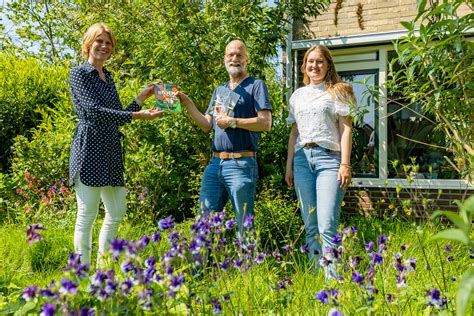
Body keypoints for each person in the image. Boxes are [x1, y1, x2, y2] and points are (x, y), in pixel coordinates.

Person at [69, 22, 163, 266]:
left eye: (108, 43)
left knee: (116, 212)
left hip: (110, 149)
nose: (104, 46)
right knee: (87, 215)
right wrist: (136, 115)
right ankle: (81, 275)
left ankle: (103, 269)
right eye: (99, 41)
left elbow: (116, 116)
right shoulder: (79, 73)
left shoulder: (108, 77)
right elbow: (93, 111)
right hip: (89, 147)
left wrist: (140, 99)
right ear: (89, 43)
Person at [177, 39, 272, 234]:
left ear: (247, 59)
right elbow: (206, 124)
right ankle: (202, 265)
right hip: (215, 164)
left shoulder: (256, 85)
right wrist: (187, 103)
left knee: (244, 224)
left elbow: (265, 123)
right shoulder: (220, 90)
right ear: (224, 59)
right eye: (230, 54)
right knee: (205, 222)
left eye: (239, 54)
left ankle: (247, 264)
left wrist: (233, 121)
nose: (234, 58)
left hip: (242, 164)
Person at [284, 45, 353, 276]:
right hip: (303, 160)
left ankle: (332, 283)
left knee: (327, 225)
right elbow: (294, 133)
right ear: (304, 66)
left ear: (328, 65)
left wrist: (345, 163)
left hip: (329, 161)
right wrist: (289, 165)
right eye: (310, 61)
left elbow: (346, 128)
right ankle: (316, 278)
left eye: (320, 61)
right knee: (310, 225)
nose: (315, 66)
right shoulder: (297, 96)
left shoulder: (338, 92)